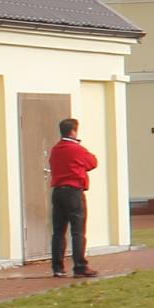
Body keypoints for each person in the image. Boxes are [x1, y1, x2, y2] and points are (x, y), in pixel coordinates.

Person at [48, 116, 98, 278]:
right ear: (73, 131)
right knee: (78, 231)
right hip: (74, 191)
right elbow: (92, 162)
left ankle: (57, 267)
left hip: (58, 192)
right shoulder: (77, 149)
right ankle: (80, 266)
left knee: (58, 231)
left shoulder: (55, 149)